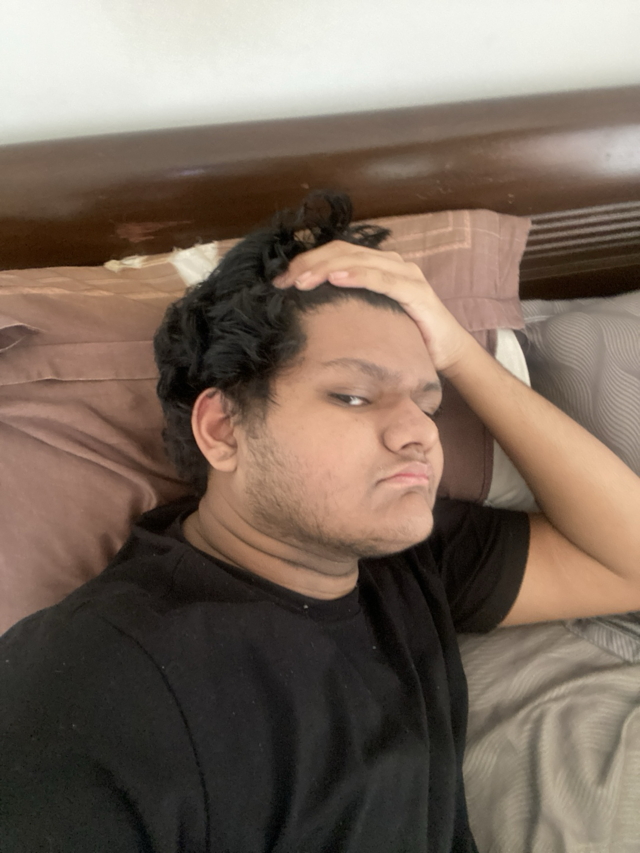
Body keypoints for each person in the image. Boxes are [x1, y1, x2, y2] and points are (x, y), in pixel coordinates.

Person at [1, 192, 639, 853]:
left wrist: (459, 353)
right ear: (223, 428)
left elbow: (629, 561)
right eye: (354, 396)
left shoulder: (407, 557)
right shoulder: (94, 679)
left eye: (428, 403)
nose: (420, 433)